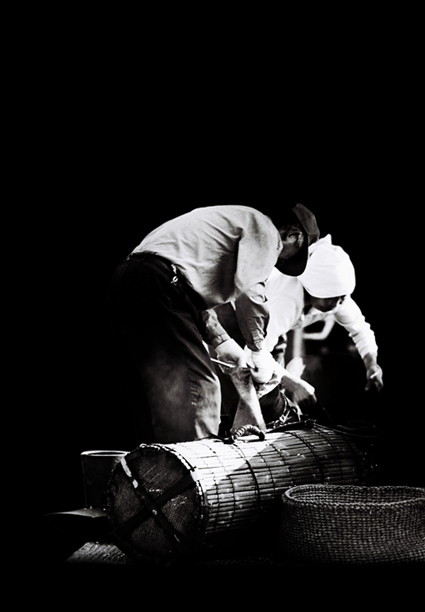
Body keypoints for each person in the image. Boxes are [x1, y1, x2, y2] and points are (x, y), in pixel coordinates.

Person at [108, 203, 319, 443]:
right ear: (294, 236)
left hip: (129, 279)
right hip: (160, 285)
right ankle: (193, 464)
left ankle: (147, 462)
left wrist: (221, 341)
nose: (276, 262)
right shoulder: (265, 229)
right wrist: (258, 349)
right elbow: (249, 290)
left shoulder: (231, 220)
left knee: (150, 391)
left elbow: (187, 289)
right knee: (200, 389)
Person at [239, 234, 383, 422]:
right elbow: (253, 355)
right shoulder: (285, 302)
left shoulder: (336, 299)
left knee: (276, 390)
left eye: (342, 298)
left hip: (272, 332)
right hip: (240, 322)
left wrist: (372, 365)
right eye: (334, 298)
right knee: (248, 386)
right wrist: (294, 385)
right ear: (315, 286)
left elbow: (361, 330)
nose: (338, 304)